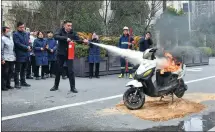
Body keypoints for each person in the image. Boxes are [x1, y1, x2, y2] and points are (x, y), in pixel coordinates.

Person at [50, 20, 88, 93]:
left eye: (71, 25)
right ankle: (55, 86)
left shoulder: (73, 32)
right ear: (64, 25)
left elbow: (77, 39)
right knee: (58, 70)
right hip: (60, 54)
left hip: (69, 54)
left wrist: (83, 41)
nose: (70, 27)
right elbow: (56, 36)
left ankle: (73, 88)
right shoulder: (60, 30)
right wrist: (65, 38)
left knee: (71, 71)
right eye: (68, 25)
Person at [13, 22, 31, 88]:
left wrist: (29, 46)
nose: (22, 28)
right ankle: (16, 83)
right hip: (19, 54)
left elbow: (29, 42)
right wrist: (26, 47)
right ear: (17, 27)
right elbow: (17, 43)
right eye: (21, 27)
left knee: (24, 69)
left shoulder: (26, 34)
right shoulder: (15, 34)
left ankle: (23, 81)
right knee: (17, 70)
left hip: (26, 54)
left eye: (23, 27)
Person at [1, 26, 16, 91]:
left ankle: (8, 84)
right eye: (7, 31)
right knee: (5, 72)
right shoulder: (2, 39)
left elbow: (13, 49)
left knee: (11, 71)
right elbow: (1, 49)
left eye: (9, 31)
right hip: (5, 58)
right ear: (4, 32)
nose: (9, 32)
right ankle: (3, 86)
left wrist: (14, 56)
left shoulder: (11, 38)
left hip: (11, 58)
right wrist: (2, 59)